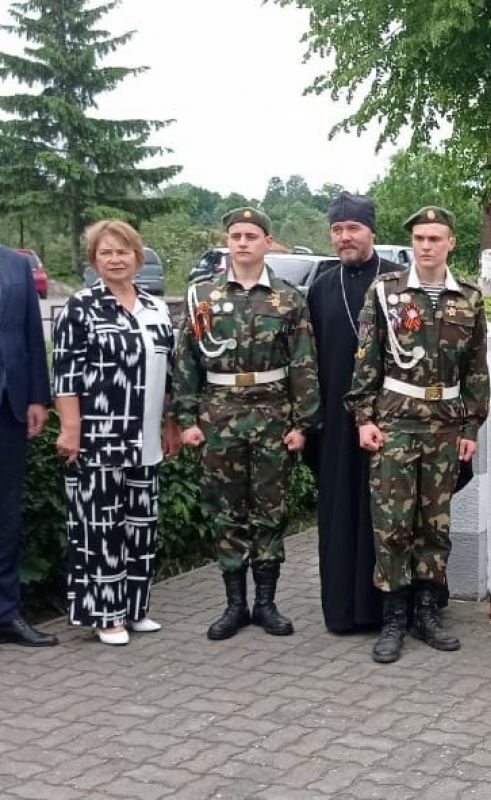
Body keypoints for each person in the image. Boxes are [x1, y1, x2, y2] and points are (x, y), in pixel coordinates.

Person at [346, 205, 489, 663]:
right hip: (395, 423)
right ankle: (393, 618)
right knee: (391, 526)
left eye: (435, 238)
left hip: (446, 425)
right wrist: (364, 418)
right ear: (413, 243)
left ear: (451, 243)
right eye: (420, 238)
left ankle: (427, 612)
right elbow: (366, 359)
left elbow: (476, 369)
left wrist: (471, 425)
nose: (426, 246)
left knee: (435, 525)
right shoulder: (385, 292)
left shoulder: (468, 297)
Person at [173, 207, 319, 641]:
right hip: (218, 416)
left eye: (251, 235)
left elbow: (304, 365)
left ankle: (267, 604)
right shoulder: (203, 295)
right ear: (227, 241)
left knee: (270, 512)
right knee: (227, 512)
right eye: (235, 235)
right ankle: (235, 605)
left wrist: (303, 423)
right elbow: (186, 361)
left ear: (267, 242)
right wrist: (185, 419)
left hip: (273, 416)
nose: (242, 242)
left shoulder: (289, 298)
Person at [52, 220, 178, 645]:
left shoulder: (155, 307)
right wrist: (71, 428)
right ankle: (106, 615)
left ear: (137, 257)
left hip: (145, 438)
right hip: (99, 437)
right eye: (106, 253)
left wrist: (170, 423)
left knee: (141, 524)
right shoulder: (81, 307)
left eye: (123, 251)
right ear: (94, 261)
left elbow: (168, 372)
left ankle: (135, 606)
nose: (115, 259)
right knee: (100, 527)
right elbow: (65, 376)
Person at [306, 192, 403, 633]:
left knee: (392, 515)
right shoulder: (321, 287)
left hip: (392, 418)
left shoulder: (400, 283)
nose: (345, 238)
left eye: (353, 229)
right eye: (337, 230)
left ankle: (392, 609)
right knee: (342, 512)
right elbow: (307, 360)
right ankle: (345, 610)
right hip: (336, 422)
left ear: (372, 233)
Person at [0, 246, 54, 647]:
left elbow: (33, 335)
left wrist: (38, 397)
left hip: (10, 407)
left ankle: (6, 613)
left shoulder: (17, 264)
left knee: (6, 517)